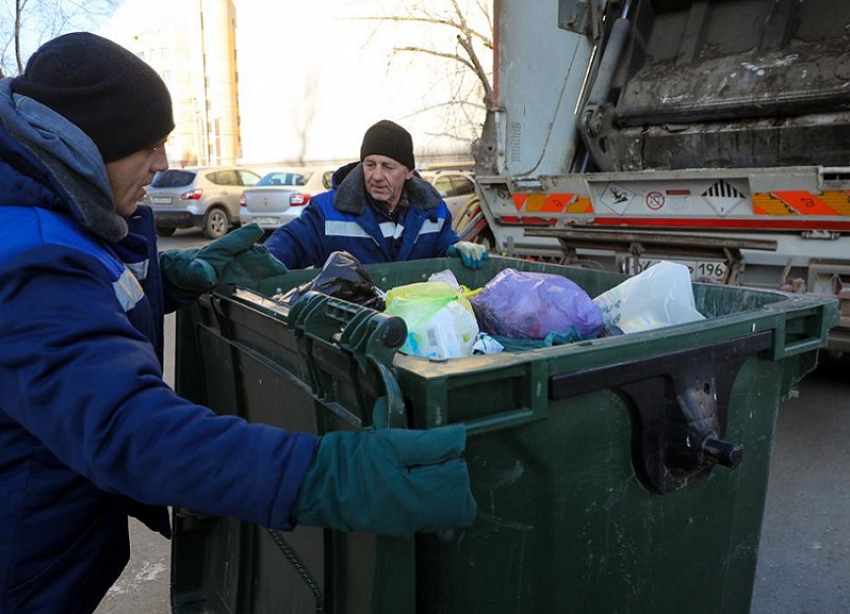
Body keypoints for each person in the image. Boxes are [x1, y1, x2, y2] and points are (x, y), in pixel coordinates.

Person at [0, 32, 476, 614]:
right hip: (20, 557)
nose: (164, 164)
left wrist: (174, 277)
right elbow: (130, 428)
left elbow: (92, 294)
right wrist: (327, 475)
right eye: (147, 146)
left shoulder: (55, 215)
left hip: (47, 535)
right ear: (83, 146)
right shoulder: (31, 257)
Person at [264, 119, 489, 269]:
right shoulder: (327, 211)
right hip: (349, 329)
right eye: (370, 164)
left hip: (413, 326)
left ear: (409, 171)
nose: (377, 175)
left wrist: (454, 246)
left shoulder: (433, 210)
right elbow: (292, 242)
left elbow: (440, 242)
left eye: (388, 167)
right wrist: (260, 260)